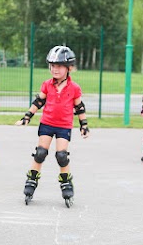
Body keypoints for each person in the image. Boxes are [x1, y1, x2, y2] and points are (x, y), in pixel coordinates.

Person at [16, 46, 90, 208]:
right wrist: (27, 116)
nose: (55, 69)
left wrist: (84, 125)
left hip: (64, 126)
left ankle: (66, 184)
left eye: (59, 66)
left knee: (62, 156)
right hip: (47, 123)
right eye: (52, 66)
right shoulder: (47, 85)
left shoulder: (74, 88)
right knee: (40, 153)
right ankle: (31, 180)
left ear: (69, 68)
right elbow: (38, 102)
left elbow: (80, 108)